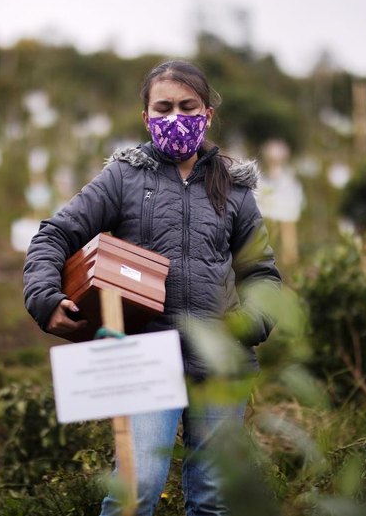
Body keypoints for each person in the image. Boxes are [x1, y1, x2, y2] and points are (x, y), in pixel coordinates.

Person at [23, 59, 281, 516]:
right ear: (145, 116)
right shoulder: (122, 177)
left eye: (187, 106)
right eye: (163, 108)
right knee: (136, 491)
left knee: (214, 499)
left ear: (207, 113)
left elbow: (261, 275)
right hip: (144, 358)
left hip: (221, 364)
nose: (175, 117)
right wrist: (45, 298)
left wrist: (243, 326)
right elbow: (54, 234)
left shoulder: (236, 189)